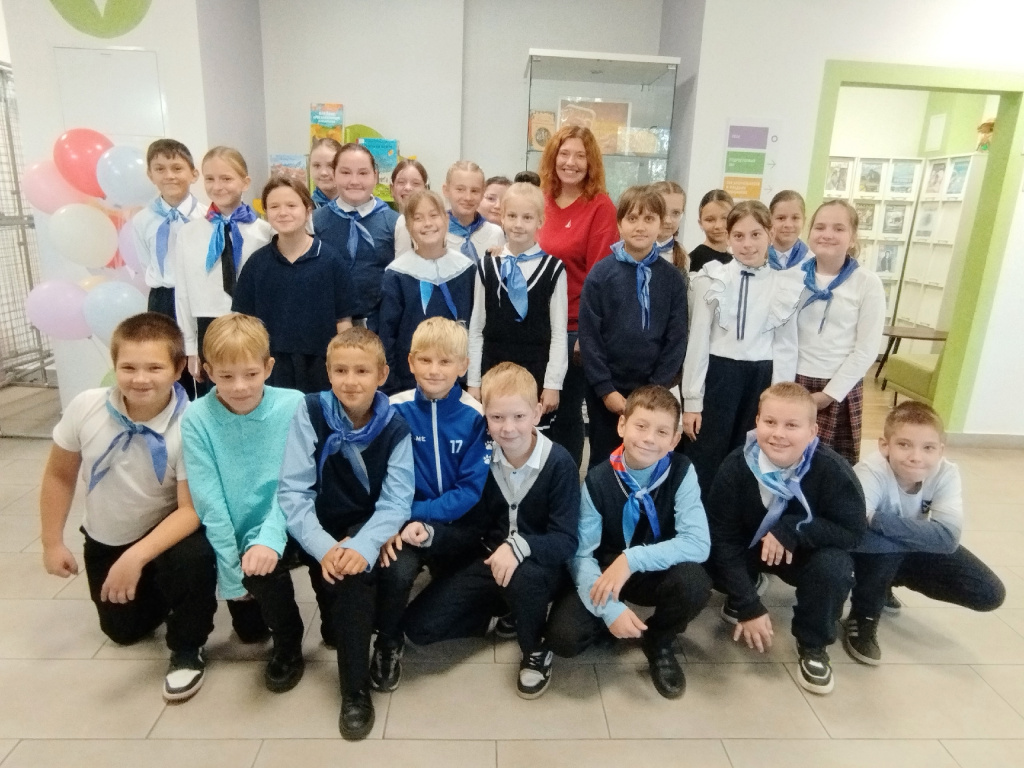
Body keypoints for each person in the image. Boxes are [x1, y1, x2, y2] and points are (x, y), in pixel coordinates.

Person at [39, 312, 216, 702]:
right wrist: (52, 542)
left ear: (178, 369)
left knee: (194, 558)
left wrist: (136, 557)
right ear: (114, 365)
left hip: (168, 533)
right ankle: (162, 593)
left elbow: (190, 510)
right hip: (109, 536)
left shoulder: (191, 424)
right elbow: (59, 475)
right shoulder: (86, 406)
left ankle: (188, 645)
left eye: (154, 367)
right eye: (129, 367)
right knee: (123, 632)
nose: (140, 378)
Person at [405, 362, 580, 700]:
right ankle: (503, 608)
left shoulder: (560, 464)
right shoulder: (483, 459)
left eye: (518, 416)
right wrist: (433, 534)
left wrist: (519, 547)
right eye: (497, 417)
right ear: (484, 415)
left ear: (537, 413)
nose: (508, 428)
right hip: (488, 559)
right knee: (418, 629)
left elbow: (566, 540)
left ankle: (535, 648)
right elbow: (473, 528)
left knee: (523, 578)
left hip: (539, 565)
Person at [277, 327, 413, 740]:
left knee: (353, 576)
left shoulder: (396, 427)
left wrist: (365, 544)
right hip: (314, 522)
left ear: (382, 374)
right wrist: (323, 547)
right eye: (340, 370)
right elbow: (293, 491)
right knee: (269, 562)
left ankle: (354, 691)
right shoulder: (309, 411)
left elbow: (396, 501)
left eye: (361, 371)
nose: (350, 381)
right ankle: (290, 642)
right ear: (328, 372)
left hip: (364, 523)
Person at [547, 386, 711, 699]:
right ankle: (611, 623)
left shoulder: (682, 472)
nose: (649, 438)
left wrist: (632, 559)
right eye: (641, 426)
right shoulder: (598, 479)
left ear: (675, 440)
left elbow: (698, 543)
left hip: (655, 568)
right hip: (607, 571)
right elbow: (580, 556)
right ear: (622, 425)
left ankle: (659, 640)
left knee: (695, 582)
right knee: (564, 638)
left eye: (662, 431)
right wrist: (609, 610)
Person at [706, 382, 866, 695]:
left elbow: (853, 531)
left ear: (812, 431)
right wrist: (748, 604)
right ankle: (747, 585)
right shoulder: (736, 466)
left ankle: (813, 645)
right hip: (751, 547)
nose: (778, 434)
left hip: (802, 554)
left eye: (792, 425)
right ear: (757, 422)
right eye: (770, 422)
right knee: (708, 555)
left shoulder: (833, 470)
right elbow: (722, 537)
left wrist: (794, 529)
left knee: (834, 567)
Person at [180, 314, 307, 692]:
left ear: (268, 367)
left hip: (286, 519)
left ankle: (289, 643)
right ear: (207, 372)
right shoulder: (196, 417)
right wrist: (230, 572)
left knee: (267, 575)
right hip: (231, 531)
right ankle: (249, 595)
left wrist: (267, 539)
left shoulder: (294, 405)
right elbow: (208, 499)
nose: (239, 387)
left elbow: (296, 485)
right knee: (250, 632)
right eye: (226, 375)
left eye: (251, 374)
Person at [374, 317, 491, 692]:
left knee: (461, 596)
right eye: (425, 360)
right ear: (410, 362)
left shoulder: (476, 416)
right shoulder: (394, 410)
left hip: (459, 525)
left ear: (463, 366)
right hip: (404, 522)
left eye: (445, 361)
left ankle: (483, 607)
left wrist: (417, 516)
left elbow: (470, 491)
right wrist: (398, 519)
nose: (434, 370)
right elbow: (383, 477)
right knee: (395, 572)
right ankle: (387, 643)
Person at [842, 401, 1005, 665]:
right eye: (904, 445)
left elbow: (947, 538)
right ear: (885, 446)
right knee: (884, 549)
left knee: (989, 593)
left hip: (899, 545)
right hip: (867, 552)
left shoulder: (947, 473)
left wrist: (877, 519)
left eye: (928, 448)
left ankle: (890, 581)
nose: (916, 457)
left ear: (941, 450)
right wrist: (919, 533)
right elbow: (854, 529)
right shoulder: (869, 472)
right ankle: (864, 615)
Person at [681, 200, 802, 497]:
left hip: (761, 379)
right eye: (738, 236)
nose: (747, 244)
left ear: (770, 234)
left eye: (755, 234)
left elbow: (786, 347)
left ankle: (737, 518)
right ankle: (698, 519)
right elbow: (698, 341)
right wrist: (692, 400)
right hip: (718, 376)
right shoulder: (713, 278)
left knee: (749, 456)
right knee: (706, 454)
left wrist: (780, 401)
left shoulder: (784, 285)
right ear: (728, 237)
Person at [578, 185, 688, 467]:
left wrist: (656, 388)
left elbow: (677, 338)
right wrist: (606, 390)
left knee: (646, 455)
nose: (640, 226)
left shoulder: (672, 279)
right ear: (619, 224)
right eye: (632, 218)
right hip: (607, 390)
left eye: (649, 219)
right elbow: (589, 337)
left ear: (661, 224)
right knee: (604, 458)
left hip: (653, 388)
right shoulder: (601, 275)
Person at [536, 125, 619, 467]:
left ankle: (566, 484)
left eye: (580, 156)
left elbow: (601, 278)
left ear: (591, 163)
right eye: (564, 153)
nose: (570, 162)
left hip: (573, 329)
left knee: (565, 415)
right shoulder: (540, 199)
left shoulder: (600, 207)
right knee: (532, 411)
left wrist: (587, 334)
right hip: (535, 325)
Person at [231, 176, 354, 393]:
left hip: (321, 366)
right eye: (274, 206)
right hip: (270, 366)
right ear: (265, 212)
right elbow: (243, 322)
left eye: (291, 205)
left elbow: (343, 321)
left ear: (308, 210)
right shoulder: (257, 263)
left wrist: (343, 365)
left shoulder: (331, 260)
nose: (283, 212)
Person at [174, 147, 274, 396]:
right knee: (216, 397)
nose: (217, 186)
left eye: (226, 178)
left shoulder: (265, 232)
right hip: (208, 325)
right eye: (210, 179)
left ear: (245, 182)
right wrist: (190, 348)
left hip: (254, 326)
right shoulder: (189, 233)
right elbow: (183, 293)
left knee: (254, 394)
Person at [467, 181, 567, 425]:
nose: (518, 224)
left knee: (529, 434)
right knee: (494, 433)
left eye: (527, 217)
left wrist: (553, 384)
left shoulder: (554, 269)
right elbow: (477, 328)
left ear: (540, 221)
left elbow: (558, 332)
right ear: (502, 217)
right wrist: (474, 381)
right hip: (493, 369)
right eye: (512, 216)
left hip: (536, 371)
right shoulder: (486, 266)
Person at [795, 200, 886, 465]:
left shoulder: (867, 283)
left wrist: (828, 395)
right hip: (794, 381)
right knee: (788, 459)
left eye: (838, 228)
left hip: (838, 388)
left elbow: (866, 349)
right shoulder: (794, 277)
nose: (827, 234)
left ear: (853, 237)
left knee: (829, 467)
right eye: (820, 227)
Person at [378, 189, 475, 393]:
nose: (427, 223)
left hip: (458, 379)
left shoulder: (467, 270)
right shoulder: (397, 274)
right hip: (409, 382)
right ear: (408, 226)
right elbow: (388, 335)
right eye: (418, 218)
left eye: (433, 215)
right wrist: (392, 386)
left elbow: (476, 326)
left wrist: (473, 379)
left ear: (446, 219)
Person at [132, 138, 207, 399]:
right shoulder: (142, 220)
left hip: (199, 298)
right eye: (160, 169)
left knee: (203, 364)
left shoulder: (206, 216)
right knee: (168, 363)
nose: (169, 175)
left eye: (177, 168)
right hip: (163, 298)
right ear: (150, 175)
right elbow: (146, 262)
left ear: (193, 174)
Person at [311, 142, 399, 332]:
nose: (354, 181)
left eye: (363, 173)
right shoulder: (315, 221)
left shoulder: (394, 222)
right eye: (345, 172)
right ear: (334, 175)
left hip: (380, 325)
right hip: (328, 325)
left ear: (375, 176)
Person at [688, 189, 734, 272]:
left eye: (725, 218)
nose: (718, 226)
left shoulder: (735, 260)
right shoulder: (692, 261)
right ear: (700, 223)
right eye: (710, 220)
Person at [650, 180, 689, 273]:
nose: (668, 220)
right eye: (662, 211)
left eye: (676, 213)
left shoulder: (683, 256)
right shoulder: (631, 251)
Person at [768, 190, 810, 270]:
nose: (788, 225)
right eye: (781, 218)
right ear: (769, 220)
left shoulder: (813, 262)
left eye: (795, 218)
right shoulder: (757, 259)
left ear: (804, 221)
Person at [309, 137, 342, 208]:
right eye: (317, 165)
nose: (323, 173)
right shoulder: (305, 207)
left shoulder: (356, 206)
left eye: (331, 165)